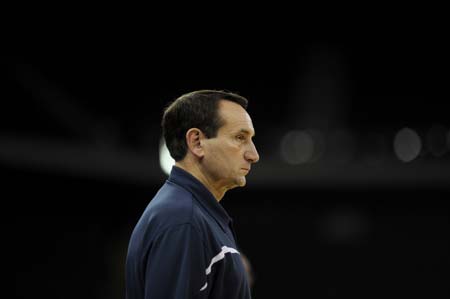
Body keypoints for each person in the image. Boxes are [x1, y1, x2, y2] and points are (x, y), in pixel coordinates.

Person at [125, 90, 260, 299]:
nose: (254, 155)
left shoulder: (192, 213)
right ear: (196, 142)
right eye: (240, 137)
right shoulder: (183, 219)